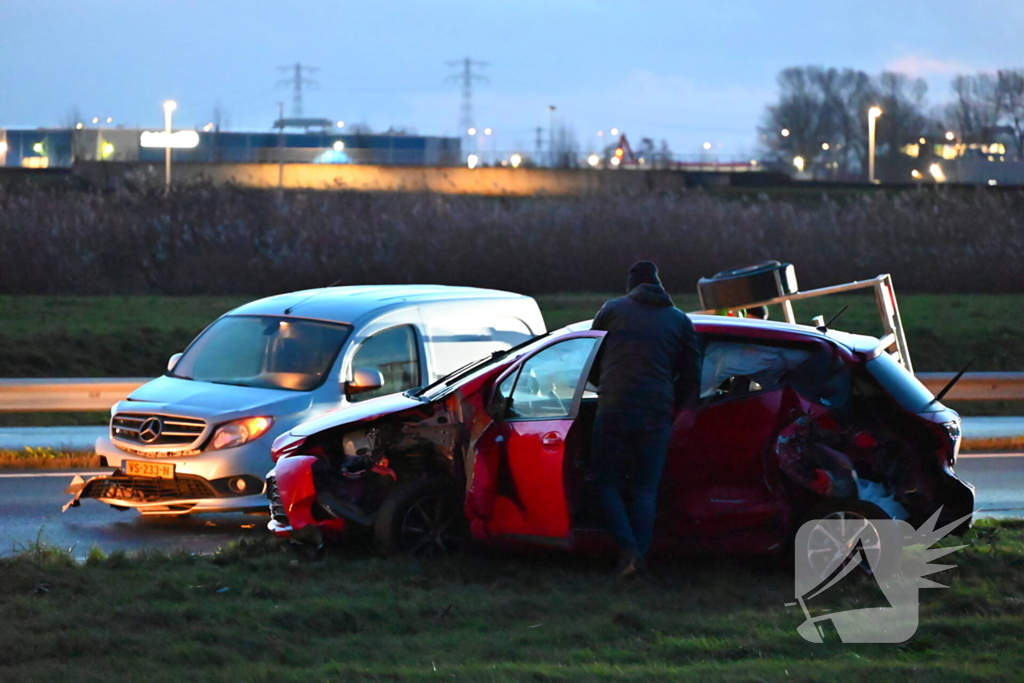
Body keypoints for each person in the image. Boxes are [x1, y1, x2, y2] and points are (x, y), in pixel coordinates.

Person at [589, 261, 701, 578]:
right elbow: (692, 373)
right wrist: (678, 405)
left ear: (632, 286)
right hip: (656, 412)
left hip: (614, 408)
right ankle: (637, 558)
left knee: (605, 481)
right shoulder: (679, 320)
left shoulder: (612, 310)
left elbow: (590, 359)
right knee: (645, 490)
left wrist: (605, 387)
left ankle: (630, 551)